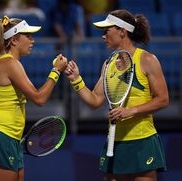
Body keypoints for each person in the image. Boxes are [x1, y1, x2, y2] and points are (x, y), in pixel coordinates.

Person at [65, 9, 169, 181]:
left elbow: (163, 99)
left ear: (122, 31)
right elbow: (95, 101)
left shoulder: (148, 60)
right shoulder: (107, 64)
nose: (103, 36)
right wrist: (76, 80)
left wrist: (131, 111)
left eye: (107, 31)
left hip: (142, 141)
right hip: (115, 141)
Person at [0, 15, 67, 181]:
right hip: (3, 137)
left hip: (6, 137)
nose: (33, 41)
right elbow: (39, 99)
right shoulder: (10, 64)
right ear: (14, 40)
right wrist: (56, 71)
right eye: (28, 36)